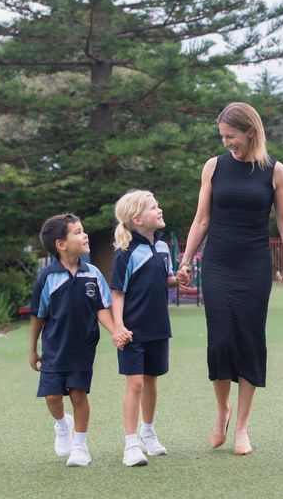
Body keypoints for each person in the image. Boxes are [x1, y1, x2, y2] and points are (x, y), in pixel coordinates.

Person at [177, 102, 283, 455]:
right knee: (220, 339)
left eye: (231, 136)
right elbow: (201, 219)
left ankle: (243, 428)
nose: (227, 142)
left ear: (250, 131)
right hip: (217, 262)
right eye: (223, 137)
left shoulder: (274, 171)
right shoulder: (214, 167)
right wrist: (185, 260)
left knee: (248, 339)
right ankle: (222, 412)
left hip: (253, 265)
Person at [29, 213, 131, 467]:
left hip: (83, 349)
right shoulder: (47, 278)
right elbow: (38, 316)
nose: (85, 235)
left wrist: (115, 331)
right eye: (77, 232)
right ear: (61, 245)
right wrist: (32, 350)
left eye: (83, 231)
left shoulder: (93, 274)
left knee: (78, 394)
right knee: (53, 397)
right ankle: (63, 424)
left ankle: (80, 446)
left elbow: (101, 308)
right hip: (53, 349)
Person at [110, 190, 178, 467]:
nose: (159, 210)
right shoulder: (125, 254)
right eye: (153, 207)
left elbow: (168, 280)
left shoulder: (162, 247)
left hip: (159, 328)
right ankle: (131, 444)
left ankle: (148, 432)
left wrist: (178, 278)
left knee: (151, 381)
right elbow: (118, 293)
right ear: (137, 219)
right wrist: (118, 327)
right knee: (135, 383)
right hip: (133, 332)